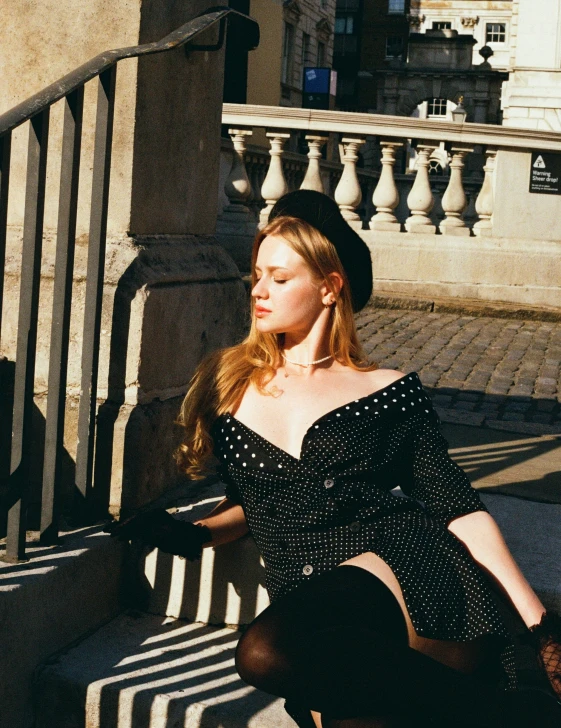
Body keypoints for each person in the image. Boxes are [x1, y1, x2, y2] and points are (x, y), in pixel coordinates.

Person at [109, 190, 561, 727]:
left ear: (329, 286)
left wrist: (540, 626)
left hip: (400, 564)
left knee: (263, 651)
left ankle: (515, 717)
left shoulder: (389, 390)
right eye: (257, 276)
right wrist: (197, 532)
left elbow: (457, 507)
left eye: (279, 278)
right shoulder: (229, 383)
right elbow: (254, 501)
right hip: (312, 597)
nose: (259, 291)